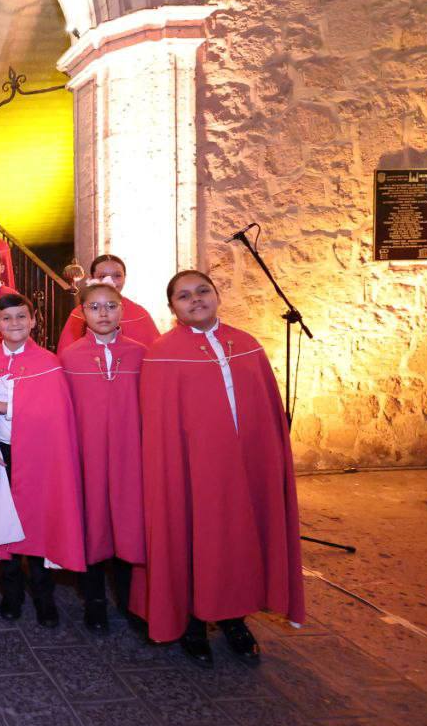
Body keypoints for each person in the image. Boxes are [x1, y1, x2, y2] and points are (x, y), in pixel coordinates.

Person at [132, 270, 304, 666]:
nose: (195, 300)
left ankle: (233, 618)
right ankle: (194, 622)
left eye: (202, 291)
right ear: (172, 307)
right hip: (192, 470)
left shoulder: (246, 345)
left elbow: (266, 414)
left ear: (217, 295)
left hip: (244, 466)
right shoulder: (162, 353)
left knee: (239, 538)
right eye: (184, 296)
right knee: (194, 537)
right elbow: (158, 427)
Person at [0, 294, 86, 627]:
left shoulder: (49, 362)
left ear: (33, 321)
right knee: (4, 521)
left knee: (36, 522)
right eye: (7, 318)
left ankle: (43, 594)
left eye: (21, 317)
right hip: (0, 453)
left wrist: (7, 407)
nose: (15, 323)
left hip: (38, 456)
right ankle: (11, 592)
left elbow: (55, 413)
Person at [60, 282, 146, 633]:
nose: (104, 313)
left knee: (130, 525)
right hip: (87, 458)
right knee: (91, 525)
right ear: (82, 313)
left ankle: (131, 601)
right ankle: (94, 599)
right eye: (94, 307)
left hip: (131, 458)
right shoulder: (69, 356)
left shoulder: (142, 354)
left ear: (122, 310)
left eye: (111, 306)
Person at [57, 254, 162, 350]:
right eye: (102, 276)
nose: (110, 281)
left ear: (125, 278)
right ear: (92, 278)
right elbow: (67, 357)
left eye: (117, 276)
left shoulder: (139, 313)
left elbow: (154, 356)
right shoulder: (79, 313)